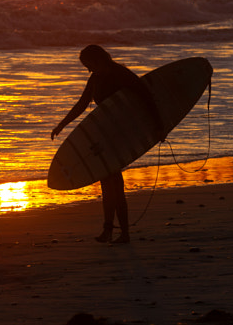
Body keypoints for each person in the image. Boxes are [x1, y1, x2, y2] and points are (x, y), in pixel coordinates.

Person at [50, 45, 163, 244]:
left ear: (98, 59)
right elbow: (82, 103)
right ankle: (109, 230)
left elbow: (146, 96)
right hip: (104, 133)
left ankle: (124, 233)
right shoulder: (95, 78)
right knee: (106, 180)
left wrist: (160, 127)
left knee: (115, 183)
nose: (88, 69)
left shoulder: (121, 74)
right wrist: (62, 124)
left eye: (89, 64)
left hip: (121, 134)